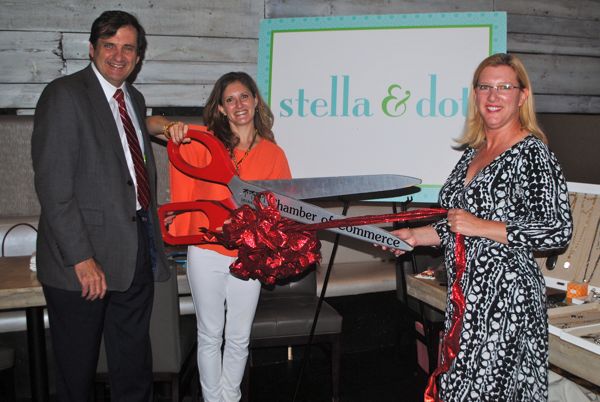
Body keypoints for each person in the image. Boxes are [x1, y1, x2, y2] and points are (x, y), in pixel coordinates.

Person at [389, 53, 572, 401]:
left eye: (504, 87)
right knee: (458, 389)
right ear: (475, 95)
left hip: (507, 299)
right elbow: (457, 224)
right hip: (466, 296)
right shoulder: (474, 151)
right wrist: (416, 237)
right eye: (485, 87)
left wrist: (482, 226)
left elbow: (557, 229)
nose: (493, 95)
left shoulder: (531, 153)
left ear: (522, 96)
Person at [31, 10, 169, 402]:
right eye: (110, 46)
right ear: (92, 49)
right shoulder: (64, 95)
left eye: (128, 48)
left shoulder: (134, 99)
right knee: (77, 378)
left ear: (138, 57)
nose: (119, 55)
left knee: (133, 369)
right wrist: (82, 258)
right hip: (81, 264)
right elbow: (54, 188)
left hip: (135, 251)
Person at [151, 72, 292, 402]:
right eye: (230, 99)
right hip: (207, 251)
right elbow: (148, 123)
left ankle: (230, 398)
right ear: (221, 109)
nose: (238, 104)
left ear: (256, 101)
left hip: (249, 255)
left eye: (244, 96)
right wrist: (171, 127)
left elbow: (281, 211)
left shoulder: (274, 154)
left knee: (240, 336)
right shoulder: (203, 142)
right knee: (210, 334)